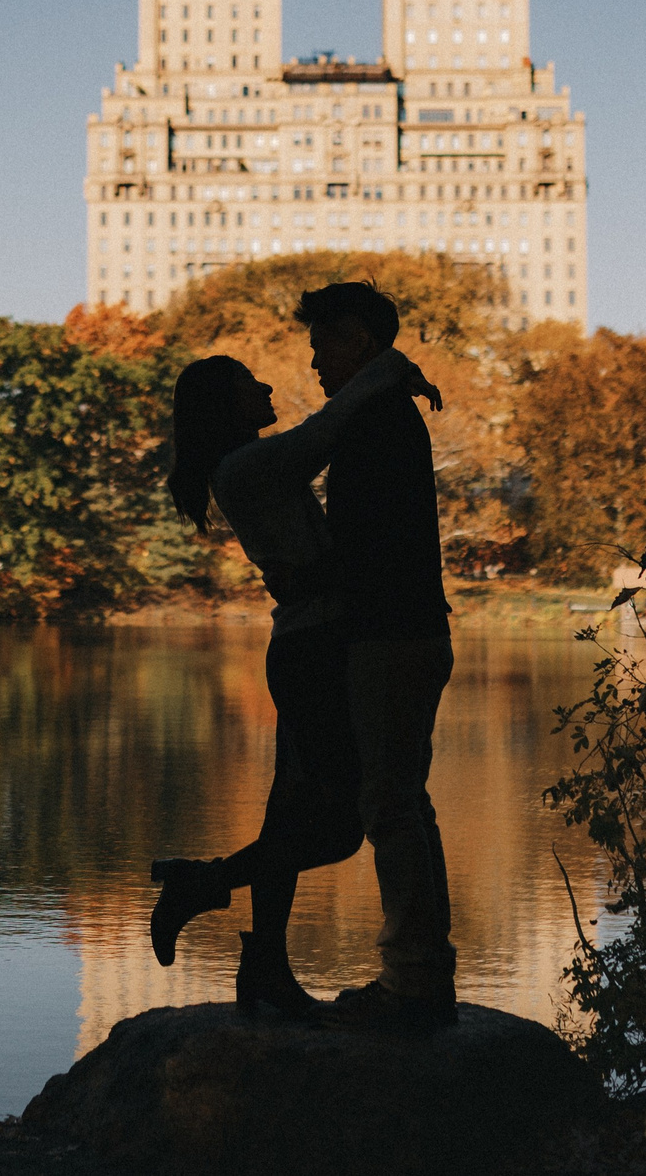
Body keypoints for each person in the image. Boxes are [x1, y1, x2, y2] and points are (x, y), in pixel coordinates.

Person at [152, 343, 441, 1016]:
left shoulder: (247, 465)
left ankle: (265, 970)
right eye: (249, 382)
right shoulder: (247, 466)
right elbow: (327, 429)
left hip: (308, 645)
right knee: (339, 829)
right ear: (226, 406)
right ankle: (202, 885)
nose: (266, 386)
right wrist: (388, 368)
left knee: (288, 817)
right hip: (314, 652)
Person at [297, 280, 458, 1025]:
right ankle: (421, 971)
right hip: (410, 628)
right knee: (404, 800)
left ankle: (412, 980)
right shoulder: (387, 410)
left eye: (322, 344)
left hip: (390, 634)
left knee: (390, 804)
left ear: (357, 340)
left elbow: (366, 542)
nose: (313, 361)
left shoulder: (374, 419)